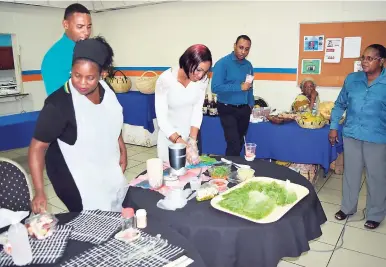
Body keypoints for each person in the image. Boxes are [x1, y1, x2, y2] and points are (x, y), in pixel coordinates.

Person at [29, 36, 127, 213]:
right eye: (76, 75)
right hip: (76, 178)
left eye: (90, 78)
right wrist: (39, 191)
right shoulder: (58, 105)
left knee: (116, 210)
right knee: (93, 222)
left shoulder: (107, 90)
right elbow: (37, 147)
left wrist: (121, 147)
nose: (82, 83)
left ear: (102, 74)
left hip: (106, 167)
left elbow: (111, 119)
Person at [329, 44, 386, 230]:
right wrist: (334, 126)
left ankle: (375, 214)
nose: (364, 61)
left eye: (370, 58)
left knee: (376, 177)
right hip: (352, 134)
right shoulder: (352, 79)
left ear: (382, 61)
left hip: (377, 137)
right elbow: (339, 104)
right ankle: (347, 208)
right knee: (351, 173)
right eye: (363, 57)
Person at [155, 44, 212, 164]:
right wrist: (182, 144)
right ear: (187, 62)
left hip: (190, 137)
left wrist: (192, 141)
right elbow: (162, 120)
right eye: (198, 69)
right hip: (169, 138)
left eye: (205, 71)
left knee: (191, 177)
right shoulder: (165, 80)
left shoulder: (202, 80)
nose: (201, 75)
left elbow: (197, 110)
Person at [211, 35, 254, 156]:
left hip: (244, 109)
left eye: (247, 49)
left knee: (239, 142)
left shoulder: (248, 65)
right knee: (233, 143)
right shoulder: (222, 63)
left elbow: (250, 86)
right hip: (227, 108)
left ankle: (234, 166)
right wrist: (239, 87)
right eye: (241, 47)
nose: (243, 51)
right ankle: (229, 169)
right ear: (234, 46)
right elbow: (215, 88)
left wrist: (250, 104)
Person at [41, 3, 92, 96]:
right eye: (80, 27)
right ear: (66, 24)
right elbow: (57, 98)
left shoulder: (89, 50)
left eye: (89, 27)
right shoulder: (54, 57)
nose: (86, 32)